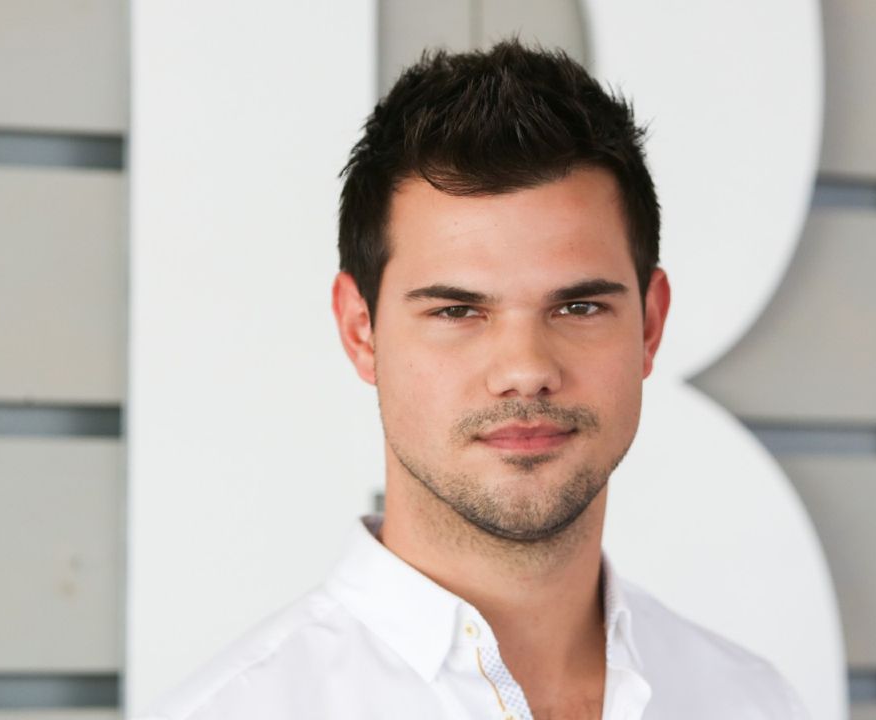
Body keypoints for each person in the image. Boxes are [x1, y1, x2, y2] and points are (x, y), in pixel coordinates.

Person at [138, 40, 808, 720]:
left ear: (649, 325)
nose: (525, 369)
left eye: (578, 307)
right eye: (457, 310)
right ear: (359, 331)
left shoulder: (753, 702)